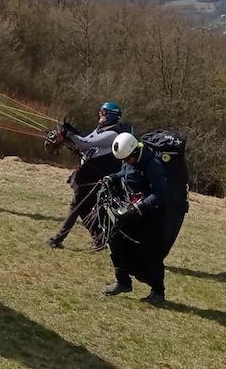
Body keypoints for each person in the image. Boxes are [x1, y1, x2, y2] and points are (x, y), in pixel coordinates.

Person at [46, 102, 129, 250]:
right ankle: (103, 240)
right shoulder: (102, 129)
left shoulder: (112, 134)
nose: (99, 114)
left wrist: (69, 134)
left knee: (76, 206)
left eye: (102, 112)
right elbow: (83, 142)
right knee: (87, 209)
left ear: (110, 114)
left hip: (95, 177)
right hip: (88, 174)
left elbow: (86, 144)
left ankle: (58, 239)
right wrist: (69, 134)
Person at [101, 131, 170, 305]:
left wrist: (141, 207)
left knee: (149, 254)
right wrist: (112, 178)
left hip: (149, 217)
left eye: (127, 159)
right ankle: (123, 281)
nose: (125, 163)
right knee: (115, 241)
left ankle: (158, 292)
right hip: (130, 212)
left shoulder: (153, 165)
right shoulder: (129, 159)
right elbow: (124, 173)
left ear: (135, 153)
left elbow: (161, 193)